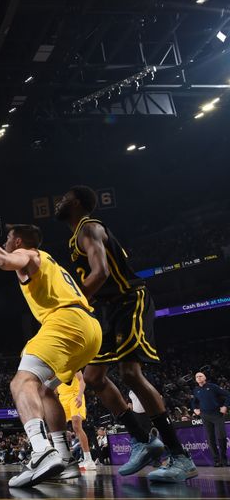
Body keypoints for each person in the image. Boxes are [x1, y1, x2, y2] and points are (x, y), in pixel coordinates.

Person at [55, 186, 197, 482]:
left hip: (129, 300)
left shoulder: (89, 227)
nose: (58, 202)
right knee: (93, 377)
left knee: (130, 373)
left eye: (64, 198)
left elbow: (102, 272)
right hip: (109, 309)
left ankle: (180, 457)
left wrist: (70, 304)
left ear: (78, 203)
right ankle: (143, 441)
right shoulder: (75, 237)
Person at [0, 208, 102, 487]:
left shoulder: (28, 255)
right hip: (90, 330)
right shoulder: (49, 262)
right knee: (47, 390)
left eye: (8, 238)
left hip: (65, 323)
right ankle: (65, 459)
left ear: (18, 242)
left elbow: (1, 259)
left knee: (21, 382)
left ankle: (40, 451)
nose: (6, 243)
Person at [56, 370, 96, 470]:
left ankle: (88, 459)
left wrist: (79, 395)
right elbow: (55, 389)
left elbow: (82, 380)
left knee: (76, 426)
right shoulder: (55, 368)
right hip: (62, 398)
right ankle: (64, 458)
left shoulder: (72, 363)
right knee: (58, 429)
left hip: (75, 395)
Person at [192, 372, 229, 467]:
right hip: (205, 416)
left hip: (217, 414)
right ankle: (216, 461)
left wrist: (225, 406)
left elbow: (228, 395)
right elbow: (193, 402)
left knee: (221, 436)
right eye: (197, 377)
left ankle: (224, 459)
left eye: (200, 376)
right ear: (195, 380)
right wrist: (195, 409)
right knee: (210, 438)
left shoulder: (213, 387)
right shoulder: (196, 390)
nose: (198, 378)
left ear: (205, 377)